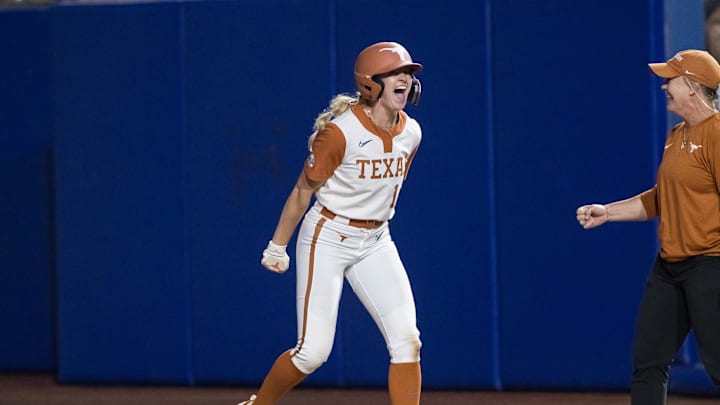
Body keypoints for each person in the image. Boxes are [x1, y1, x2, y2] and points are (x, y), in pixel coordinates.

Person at [237, 41, 424, 405]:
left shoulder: (411, 133)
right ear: (371, 84)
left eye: (408, 74)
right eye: (394, 74)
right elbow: (301, 192)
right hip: (328, 235)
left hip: (376, 239)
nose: (404, 79)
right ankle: (258, 404)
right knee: (312, 353)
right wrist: (278, 245)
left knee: (407, 340)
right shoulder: (341, 133)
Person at [576, 49, 720, 404]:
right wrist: (607, 212)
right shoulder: (676, 135)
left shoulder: (717, 135)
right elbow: (662, 197)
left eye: (670, 80)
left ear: (692, 86)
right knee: (648, 363)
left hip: (709, 265)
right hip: (669, 269)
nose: (664, 87)